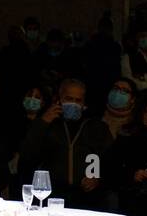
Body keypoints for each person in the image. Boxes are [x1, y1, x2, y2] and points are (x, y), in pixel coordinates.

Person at [18, 78, 112, 207]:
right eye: (69, 99)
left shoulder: (96, 126)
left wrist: (97, 177)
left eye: (78, 100)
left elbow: (106, 157)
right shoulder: (47, 124)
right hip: (52, 196)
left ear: (84, 103)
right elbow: (27, 156)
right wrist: (42, 123)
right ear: (59, 100)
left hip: (86, 197)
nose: (73, 103)